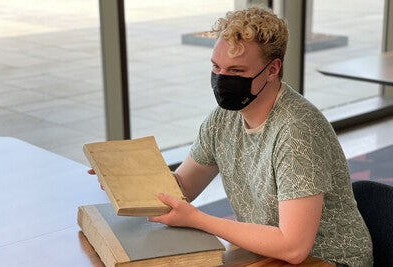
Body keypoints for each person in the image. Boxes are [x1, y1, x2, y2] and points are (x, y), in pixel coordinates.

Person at [91, 5, 373, 267]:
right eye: (216, 67)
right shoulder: (224, 118)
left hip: (328, 260)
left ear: (272, 70)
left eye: (236, 70)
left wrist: (199, 220)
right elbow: (183, 188)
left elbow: (294, 246)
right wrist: (124, 178)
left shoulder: (297, 130)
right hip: (271, 253)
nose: (222, 79)